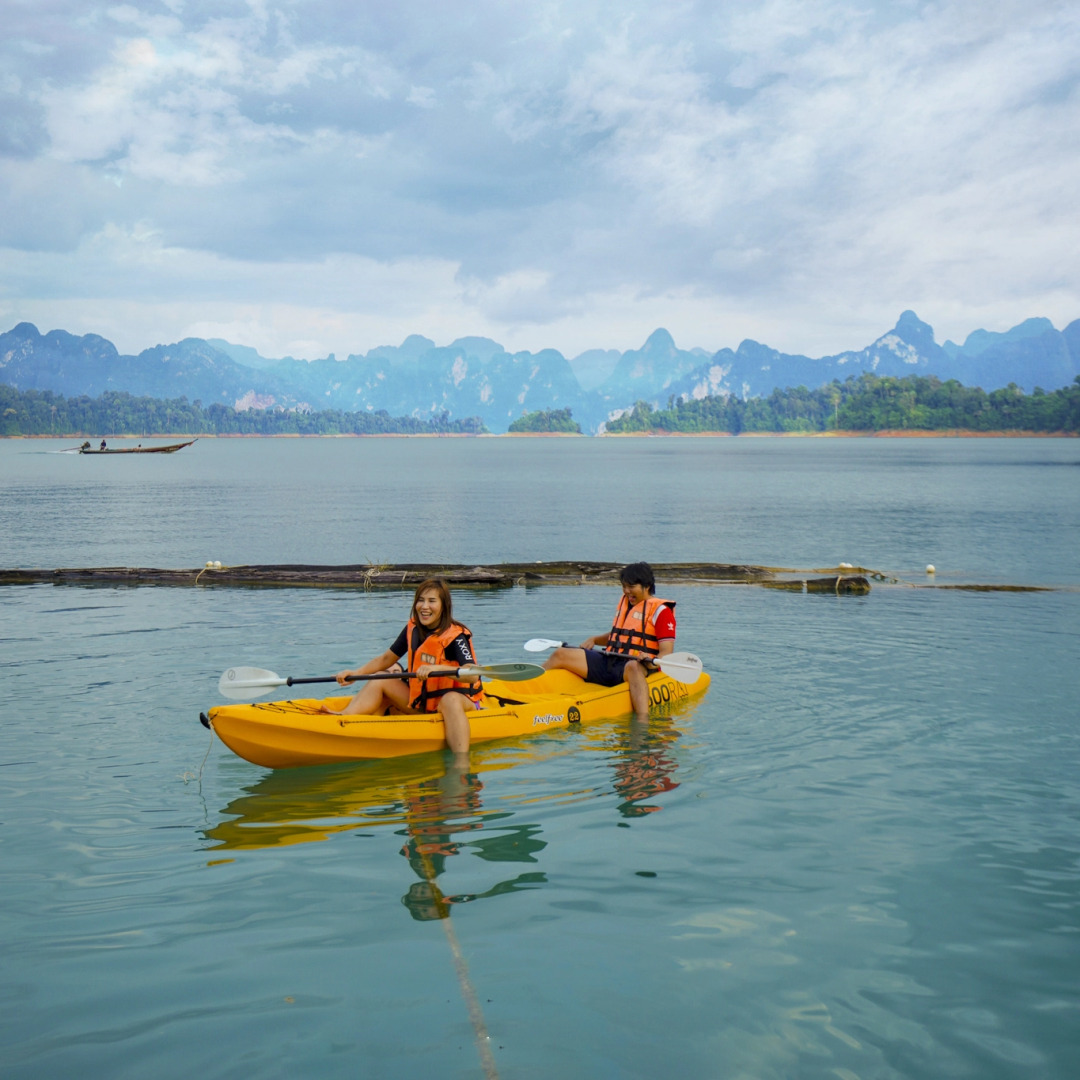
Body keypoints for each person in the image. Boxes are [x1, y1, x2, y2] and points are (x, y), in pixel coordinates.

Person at [321, 578, 483, 757]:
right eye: (420, 600)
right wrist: (356, 673)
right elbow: (386, 658)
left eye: (432, 601)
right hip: (422, 703)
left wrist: (436, 669)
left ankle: (461, 763)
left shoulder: (455, 636)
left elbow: (472, 674)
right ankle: (343, 719)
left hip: (459, 702)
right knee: (380, 679)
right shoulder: (413, 628)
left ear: (444, 606)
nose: (424, 606)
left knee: (450, 700)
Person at [542, 562, 676, 722]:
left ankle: (642, 721)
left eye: (631, 587)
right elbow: (619, 635)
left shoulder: (662, 612)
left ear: (646, 586)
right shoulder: (628, 603)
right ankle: (526, 685)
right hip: (610, 661)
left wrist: (650, 661)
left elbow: (666, 653)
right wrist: (594, 639)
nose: (627, 592)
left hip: (635, 666)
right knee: (561, 654)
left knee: (633, 667)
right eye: (624, 586)